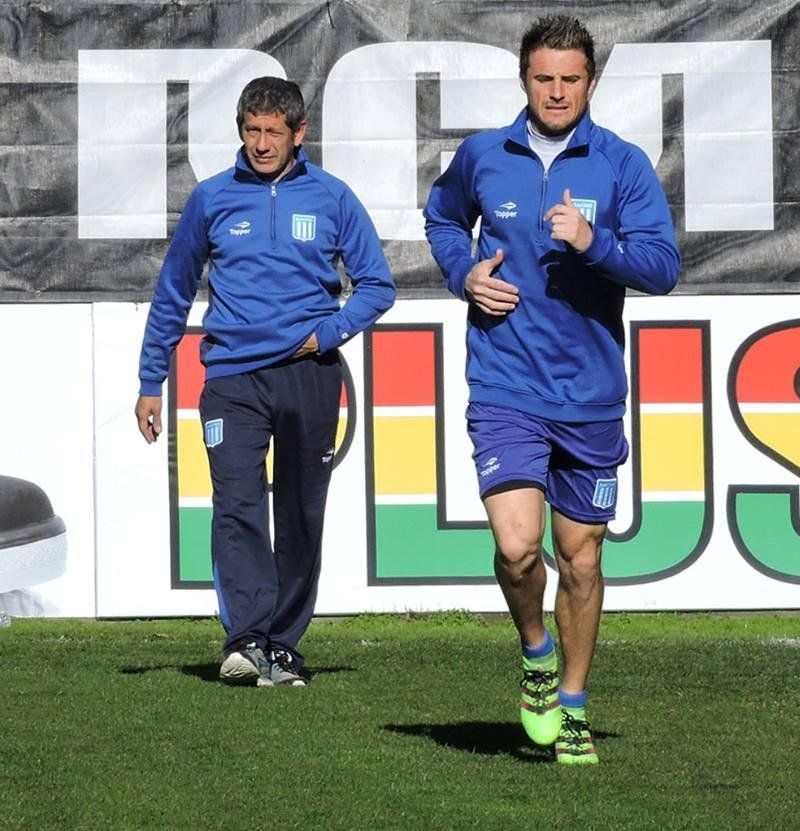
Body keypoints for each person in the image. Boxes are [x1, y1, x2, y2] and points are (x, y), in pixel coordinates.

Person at [424, 16, 680, 763]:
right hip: (504, 381)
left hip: (591, 394)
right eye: (544, 78)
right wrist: (463, 274)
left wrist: (594, 243)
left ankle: (572, 702)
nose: (558, 91)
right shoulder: (483, 154)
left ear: (591, 82)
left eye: (571, 79)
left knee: (583, 560)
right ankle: (535, 648)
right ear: (524, 80)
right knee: (515, 548)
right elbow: (443, 219)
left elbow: (663, 267)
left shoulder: (622, 164)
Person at [136, 76, 395, 687]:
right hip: (232, 378)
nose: (260, 143)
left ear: (299, 133)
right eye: (251, 131)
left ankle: (282, 645)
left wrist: (326, 335)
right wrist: (151, 379)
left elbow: (377, 285)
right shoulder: (212, 198)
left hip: (309, 376)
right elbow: (173, 291)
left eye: (273, 132)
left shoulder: (332, 196)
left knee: (301, 512)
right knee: (237, 505)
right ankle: (246, 639)